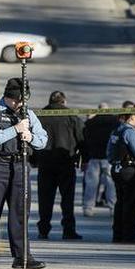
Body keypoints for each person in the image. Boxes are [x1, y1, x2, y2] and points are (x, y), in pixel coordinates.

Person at [0, 77, 48, 269]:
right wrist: (15, 129)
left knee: (20, 212)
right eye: (16, 100)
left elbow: (43, 140)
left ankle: (22, 256)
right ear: (7, 97)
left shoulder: (28, 115)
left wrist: (30, 136)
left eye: (22, 100)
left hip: (20, 165)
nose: (19, 104)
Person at [36, 91, 84, 240]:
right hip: (66, 163)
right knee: (67, 199)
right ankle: (68, 230)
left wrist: (32, 159)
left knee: (45, 199)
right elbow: (81, 137)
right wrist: (84, 158)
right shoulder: (71, 116)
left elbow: (31, 137)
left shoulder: (40, 116)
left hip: (45, 163)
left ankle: (44, 229)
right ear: (64, 102)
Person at [109, 107, 135, 243]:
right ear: (132, 117)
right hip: (129, 170)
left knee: (120, 203)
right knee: (131, 204)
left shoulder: (116, 130)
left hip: (116, 169)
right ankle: (129, 234)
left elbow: (109, 153)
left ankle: (117, 233)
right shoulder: (130, 132)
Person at [82, 102, 118, 216]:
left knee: (91, 184)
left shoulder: (90, 123)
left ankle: (88, 208)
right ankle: (113, 208)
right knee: (110, 184)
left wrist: (85, 158)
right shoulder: (115, 122)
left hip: (94, 157)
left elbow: (85, 141)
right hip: (109, 158)